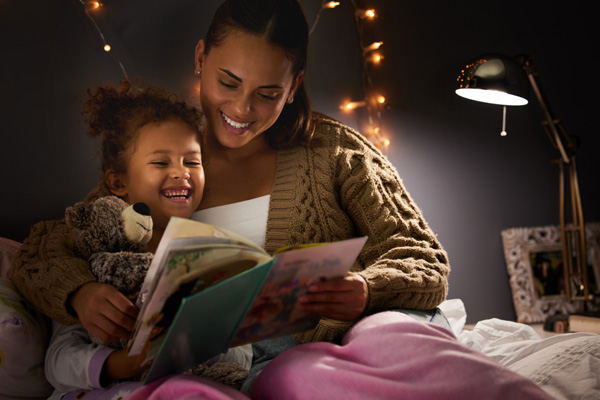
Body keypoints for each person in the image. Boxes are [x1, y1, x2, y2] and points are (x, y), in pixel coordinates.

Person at [11, 0, 450, 393]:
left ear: (293, 86)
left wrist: (368, 289)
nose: (241, 110)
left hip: (334, 354)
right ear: (202, 58)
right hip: (227, 374)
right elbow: (40, 253)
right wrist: (80, 293)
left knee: (402, 340)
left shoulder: (336, 152)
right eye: (229, 82)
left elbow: (424, 259)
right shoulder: (163, 166)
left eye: (267, 94)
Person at [38, 81, 246, 399]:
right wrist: (119, 365)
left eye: (192, 161)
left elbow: (246, 351)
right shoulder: (94, 255)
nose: (182, 172)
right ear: (119, 182)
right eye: (161, 162)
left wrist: (209, 345)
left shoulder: (215, 250)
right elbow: (58, 362)